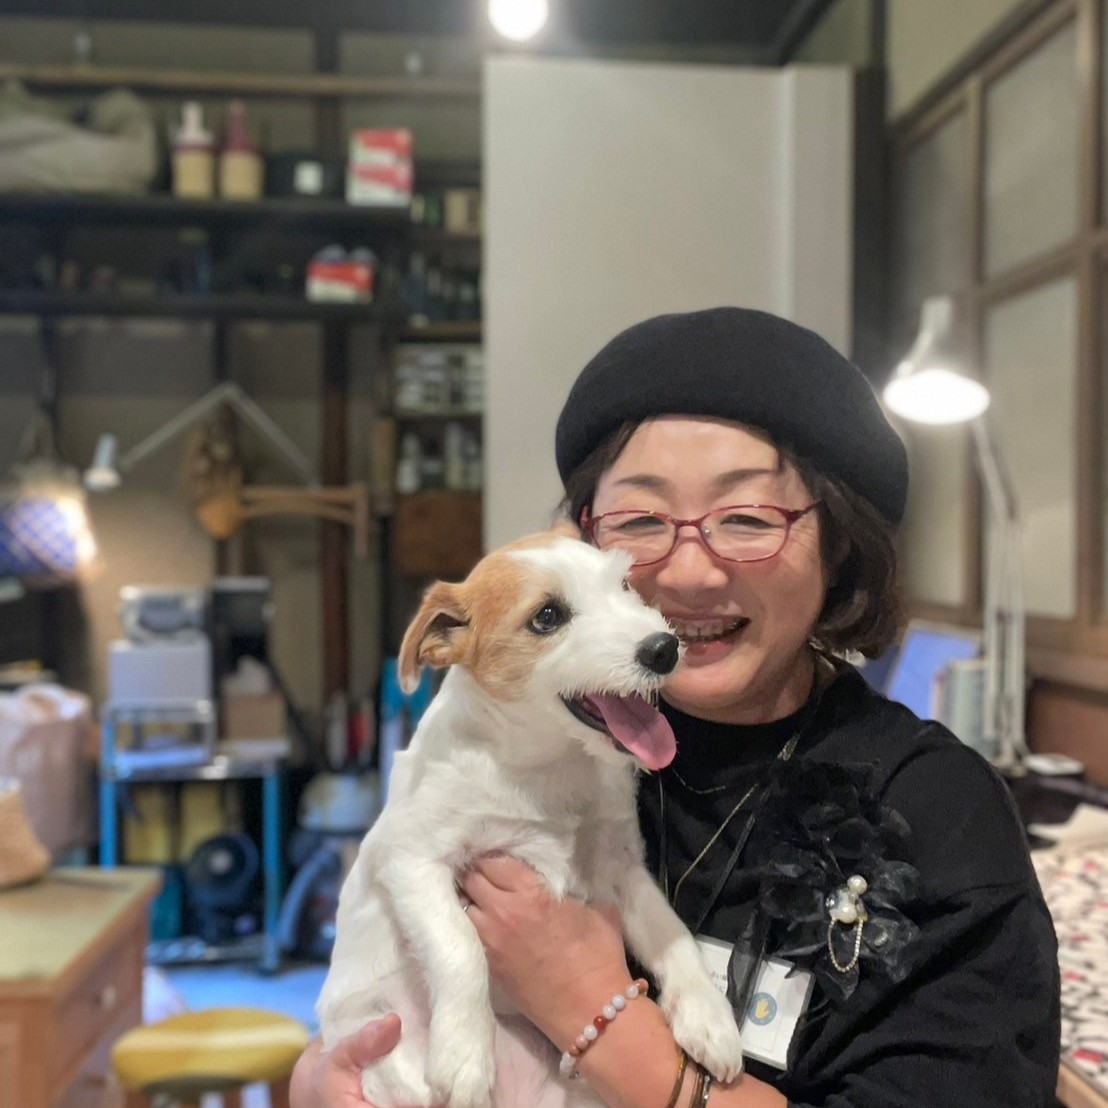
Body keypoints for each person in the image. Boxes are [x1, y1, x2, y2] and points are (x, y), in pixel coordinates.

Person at [291, 307, 1060, 1108]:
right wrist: (323, 1076)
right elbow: (388, 958)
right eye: (640, 522)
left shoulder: (939, 816)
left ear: (838, 545)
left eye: (748, 519)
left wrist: (597, 1015)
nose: (690, 574)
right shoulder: (544, 739)